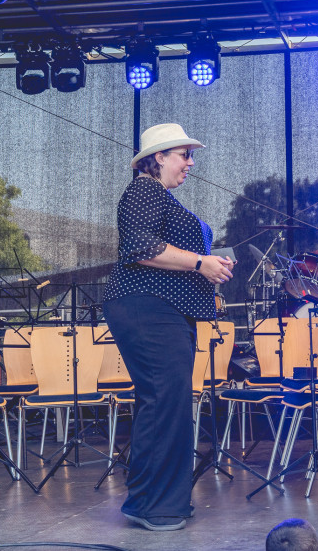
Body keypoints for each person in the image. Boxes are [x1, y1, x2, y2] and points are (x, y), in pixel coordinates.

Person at [102, 122, 234, 532]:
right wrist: (201, 262)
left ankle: (156, 501)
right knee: (165, 402)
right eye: (184, 155)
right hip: (148, 308)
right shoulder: (144, 190)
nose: (190, 163)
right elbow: (141, 247)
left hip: (162, 309)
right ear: (158, 157)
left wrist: (209, 264)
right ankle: (153, 506)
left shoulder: (159, 195)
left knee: (164, 403)